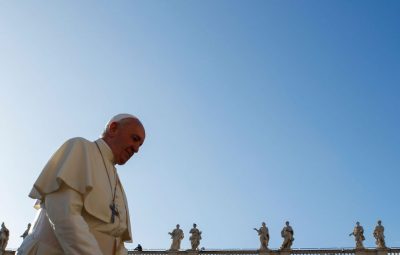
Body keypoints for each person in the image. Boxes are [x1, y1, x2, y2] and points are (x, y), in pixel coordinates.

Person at [17, 114, 146, 255]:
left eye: (140, 145)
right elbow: (64, 213)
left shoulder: (117, 184)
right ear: (113, 128)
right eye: (135, 139)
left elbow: (117, 240)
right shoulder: (81, 148)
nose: (136, 149)